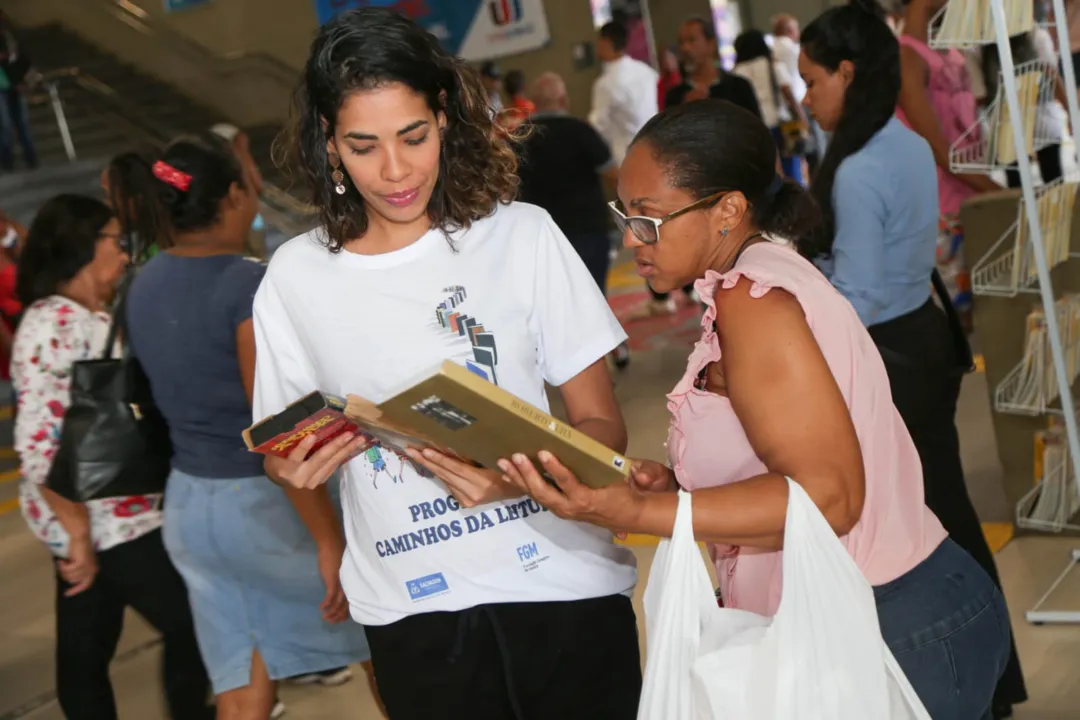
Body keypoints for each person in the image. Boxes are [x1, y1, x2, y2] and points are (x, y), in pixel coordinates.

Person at [501, 98, 1012, 719]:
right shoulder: (753, 279)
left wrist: (646, 510)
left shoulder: (756, 299)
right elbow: (782, 454)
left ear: (728, 210)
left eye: (650, 220)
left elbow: (830, 498)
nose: (633, 240)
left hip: (886, 623)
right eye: (626, 216)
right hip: (885, 612)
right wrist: (677, 484)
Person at [260, 9, 640, 719]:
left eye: (413, 136)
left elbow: (601, 429)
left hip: (560, 587)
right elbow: (283, 447)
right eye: (363, 145)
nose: (396, 170)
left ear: (444, 117)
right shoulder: (294, 275)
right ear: (328, 144)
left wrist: (517, 479)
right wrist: (290, 467)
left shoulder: (522, 237)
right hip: (411, 607)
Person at [799, 5, 1028, 718]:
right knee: (946, 513)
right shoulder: (900, 143)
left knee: (918, 532)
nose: (806, 98)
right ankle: (994, 680)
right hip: (919, 340)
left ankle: (965, 684)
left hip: (889, 356)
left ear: (847, 72)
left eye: (812, 81)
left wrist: (801, 296)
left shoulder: (860, 168)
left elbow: (858, 295)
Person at [123, 138, 373, 719]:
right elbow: (280, 429)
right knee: (375, 651)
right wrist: (329, 540)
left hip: (192, 507)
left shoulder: (145, 279)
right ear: (235, 194)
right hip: (268, 510)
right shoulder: (246, 287)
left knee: (242, 683)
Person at [12, 194, 212, 720]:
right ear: (81, 243)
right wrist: (76, 533)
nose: (125, 254)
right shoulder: (51, 322)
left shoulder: (92, 316)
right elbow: (38, 443)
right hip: (107, 519)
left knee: (84, 652)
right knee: (190, 621)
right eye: (114, 241)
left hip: (112, 511)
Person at [517, 72, 631, 368]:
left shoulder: (519, 138)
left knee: (555, 299)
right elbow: (614, 174)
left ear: (533, 103)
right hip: (587, 228)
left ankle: (571, 360)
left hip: (540, 236)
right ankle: (614, 348)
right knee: (594, 292)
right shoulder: (581, 131)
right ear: (564, 100)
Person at [899, 0, 1001, 327]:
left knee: (983, 314)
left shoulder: (950, 52)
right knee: (957, 322)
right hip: (942, 209)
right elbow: (940, 149)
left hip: (972, 197)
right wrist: (997, 190)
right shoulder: (906, 58)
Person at [733, 29, 807, 183]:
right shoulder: (773, 65)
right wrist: (801, 117)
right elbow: (789, 95)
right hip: (782, 125)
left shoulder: (736, 72)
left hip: (754, 129)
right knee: (791, 171)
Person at [590, 19, 659, 165]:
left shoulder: (605, 84)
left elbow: (597, 127)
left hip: (628, 157)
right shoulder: (647, 71)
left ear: (605, 42)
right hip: (658, 150)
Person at [666, 16, 761, 116]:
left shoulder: (738, 87)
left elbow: (756, 129)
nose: (685, 48)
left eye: (691, 40)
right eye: (681, 42)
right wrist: (685, 110)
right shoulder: (675, 97)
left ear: (711, 44)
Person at [0, 13, 37, 172]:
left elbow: (21, 59)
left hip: (14, 83)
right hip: (3, 86)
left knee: (22, 124)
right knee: (6, 125)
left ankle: (31, 160)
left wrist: (22, 81)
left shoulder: (8, 37)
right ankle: (7, 163)